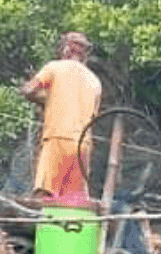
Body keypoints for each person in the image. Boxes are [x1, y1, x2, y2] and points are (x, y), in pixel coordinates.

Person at [20, 31, 103, 202]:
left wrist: (41, 98)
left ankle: (43, 227)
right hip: (83, 145)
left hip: (58, 139)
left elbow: (29, 90)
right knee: (72, 202)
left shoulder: (54, 68)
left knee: (44, 194)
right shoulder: (95, 81)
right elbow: (92, 114)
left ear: (66, 50)